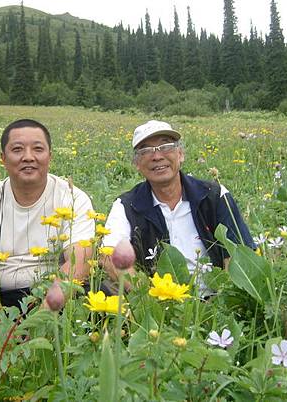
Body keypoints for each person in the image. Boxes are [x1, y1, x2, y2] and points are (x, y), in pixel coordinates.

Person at [0, 119, 94, 331]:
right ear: (3, 158)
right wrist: (1, 328)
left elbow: (79, 262)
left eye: (38, 149)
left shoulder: (73, 198)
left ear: (50, 156)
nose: (28, 157)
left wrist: (39, 321)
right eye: (17, 149)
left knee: (97, 298)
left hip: (54, 295)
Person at [102, 120, 254, 289]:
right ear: (137, 164)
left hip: (215, 301)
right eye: (145, 151)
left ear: (180, 154)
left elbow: (240, 255)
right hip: (157, 303)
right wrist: (151, 298)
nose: (157, 156)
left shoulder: (214, 195)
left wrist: (221, 302)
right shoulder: (126, 205)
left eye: (165, 146)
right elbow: (109, 257)